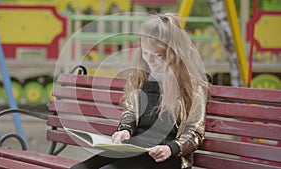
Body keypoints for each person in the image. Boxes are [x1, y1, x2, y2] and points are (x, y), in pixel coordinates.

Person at [70, 13, 210, 169]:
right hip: (136, 147)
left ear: (174, 54)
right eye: (146, 53)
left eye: (158, 55)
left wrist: (171, 148)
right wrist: (125, 130)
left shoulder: (191, 84)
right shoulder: (140, 76)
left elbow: (194, 132)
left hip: (166, 155)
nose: (150, 61)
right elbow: (131, 111)